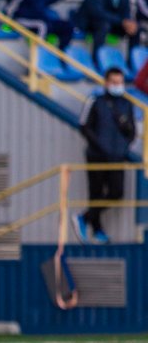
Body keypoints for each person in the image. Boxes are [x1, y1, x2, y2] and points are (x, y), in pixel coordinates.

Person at [74, 67, 136, 244]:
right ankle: (97, 230)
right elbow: (84, 126)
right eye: (114, 82)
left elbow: (132, 132)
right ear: (106, 83)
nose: (118, 85)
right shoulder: (95, 101)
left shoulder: (127, 104)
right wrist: (100, 146)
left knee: (116, 192)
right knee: (96, 193)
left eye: (120, 82)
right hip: (97, 156)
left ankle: (84, 218)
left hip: (117, 157)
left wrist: (122, 148)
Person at [73, 0, 136, 65]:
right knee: (103, 26)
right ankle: (97, 61)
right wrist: (121, 21)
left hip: (113, 22)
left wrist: (127, 21)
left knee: (136, 29)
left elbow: (126, 9)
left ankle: (132, 64)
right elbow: (97, 11)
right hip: (92, 22)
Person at [2, 0, 77, 50]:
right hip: (19, 18)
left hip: (39, 18)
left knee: (68, 26)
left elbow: (47, 0)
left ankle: (60, 55)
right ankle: (38, 56)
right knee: (42, 25)